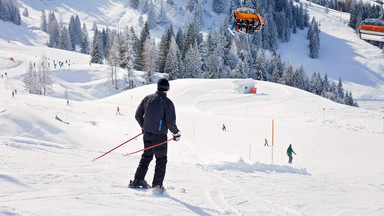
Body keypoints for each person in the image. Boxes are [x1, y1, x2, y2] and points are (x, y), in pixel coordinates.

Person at [129, 78, 181, 190]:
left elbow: (138, 115)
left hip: (147, 134)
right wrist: (176, 133)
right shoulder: (167, 103)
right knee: (161, 159)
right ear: (167, 89)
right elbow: (170, 122)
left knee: (146, 156)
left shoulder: (148, 98)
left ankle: (138, 180)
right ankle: (157, 185)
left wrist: (144, 127)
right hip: (160, 136)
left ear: (157, 87)